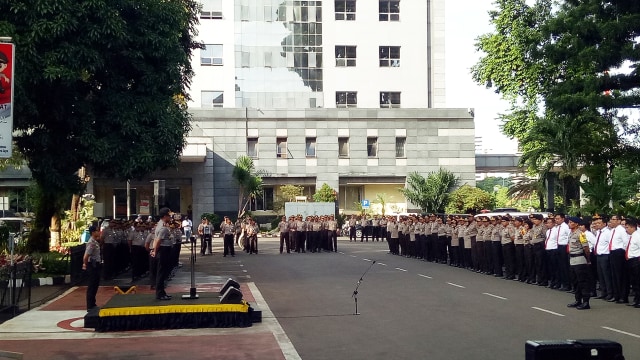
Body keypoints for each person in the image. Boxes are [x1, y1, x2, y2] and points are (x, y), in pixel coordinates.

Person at [566, 217, 591, 310]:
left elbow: (586, 248)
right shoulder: (571, 233)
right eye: (569, 222)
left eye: (571, 222)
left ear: (576, 224)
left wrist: (588, 260)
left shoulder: (581, 234)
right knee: (575, 281)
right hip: (572, 259)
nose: (569, 223)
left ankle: (586, 302)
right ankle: (578, 300)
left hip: (580, 259)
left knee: (582, 282)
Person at [150, 207, 173, 301]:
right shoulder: (162, 227)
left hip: (164, 249)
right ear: (164, 216)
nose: (170, 217)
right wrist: (155, 250)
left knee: (163, 272)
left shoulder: (162, 225)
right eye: (169, 216)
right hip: (163, 250)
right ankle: (159, 293)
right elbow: (158, 240)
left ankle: (162, 292)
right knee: (161, 272)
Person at [82, 225, 102, 311]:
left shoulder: (95, 241)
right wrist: (85, 264)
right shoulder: (91, 242)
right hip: (92, 265)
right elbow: (86, 256)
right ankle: (90, 305)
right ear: (93, 232)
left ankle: (93, 303)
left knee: (95, 284)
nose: (99, 232)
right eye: (97, 231)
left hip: (96, 265)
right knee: (92, 285)